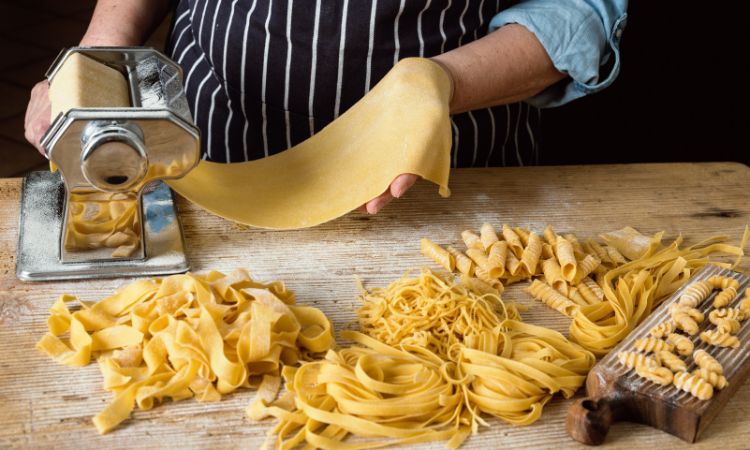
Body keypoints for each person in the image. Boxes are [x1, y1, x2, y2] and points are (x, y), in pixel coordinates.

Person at [24, 0, 628, 214]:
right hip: (208, 153)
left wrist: (437, 83)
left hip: (443, 180)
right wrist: (100, 60)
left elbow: (581, 11)